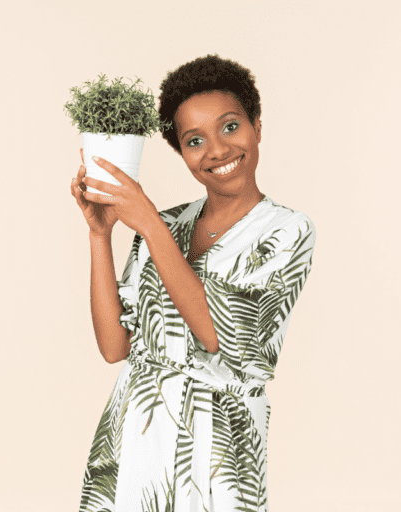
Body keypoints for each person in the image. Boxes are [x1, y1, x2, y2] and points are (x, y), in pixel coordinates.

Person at [69, 54, 315, 512]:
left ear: (257, 126)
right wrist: (100, 235)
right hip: (133, 431)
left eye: (230, 127)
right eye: (194, 140)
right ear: (181, 152)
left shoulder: (286, 230)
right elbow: (113, 347)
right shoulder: (166, 223)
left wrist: (147, 224)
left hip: (218, 442)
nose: (217, 150)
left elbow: (216, 332)